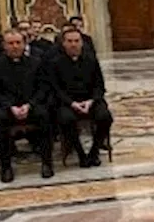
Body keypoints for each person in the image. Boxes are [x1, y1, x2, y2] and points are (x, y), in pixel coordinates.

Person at [0, 30, 55, 182]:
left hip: (31, 106)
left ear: (24, 44)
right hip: (7, 108)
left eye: (18, 43)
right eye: (10, 43)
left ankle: (47, 163)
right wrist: (10, 106)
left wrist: (29, 105)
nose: (15, 46)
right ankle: (6, 167)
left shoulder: (36, 63)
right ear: (4, 45)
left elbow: (43, 88)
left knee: (45, 115)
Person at [48, 28, 112, 167]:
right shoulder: (55, 63)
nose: (73, 44)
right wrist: (72, 103)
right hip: (67, 103)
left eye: (76, 41)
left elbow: (99, 85)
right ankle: (81, 153)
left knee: (105, 117)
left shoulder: (91, 60)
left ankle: (94, 151)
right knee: (66, 119)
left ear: (82, 43)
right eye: (70, 41)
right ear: (63, 43)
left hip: (90, 100)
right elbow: (55, 89)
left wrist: (91, 101)